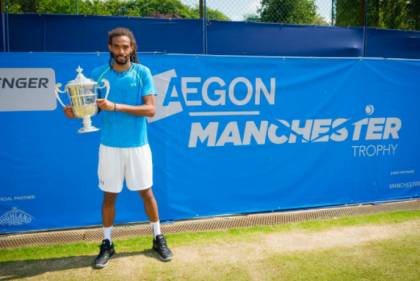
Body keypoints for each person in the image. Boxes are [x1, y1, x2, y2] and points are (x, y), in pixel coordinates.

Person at [64, 27, 173, 267]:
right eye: (117, 46)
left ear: (132, 48)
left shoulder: (143, 72)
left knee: (147, 193)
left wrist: (116, 106)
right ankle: (107, 244)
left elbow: (150, 110)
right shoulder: (97, 74)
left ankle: (158, 237)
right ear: (110, 48)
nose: (121, 51)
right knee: (109, 196)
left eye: (126, 46)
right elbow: (93, 108)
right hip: (109, 147)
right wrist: (77, 113)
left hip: (138, 146)